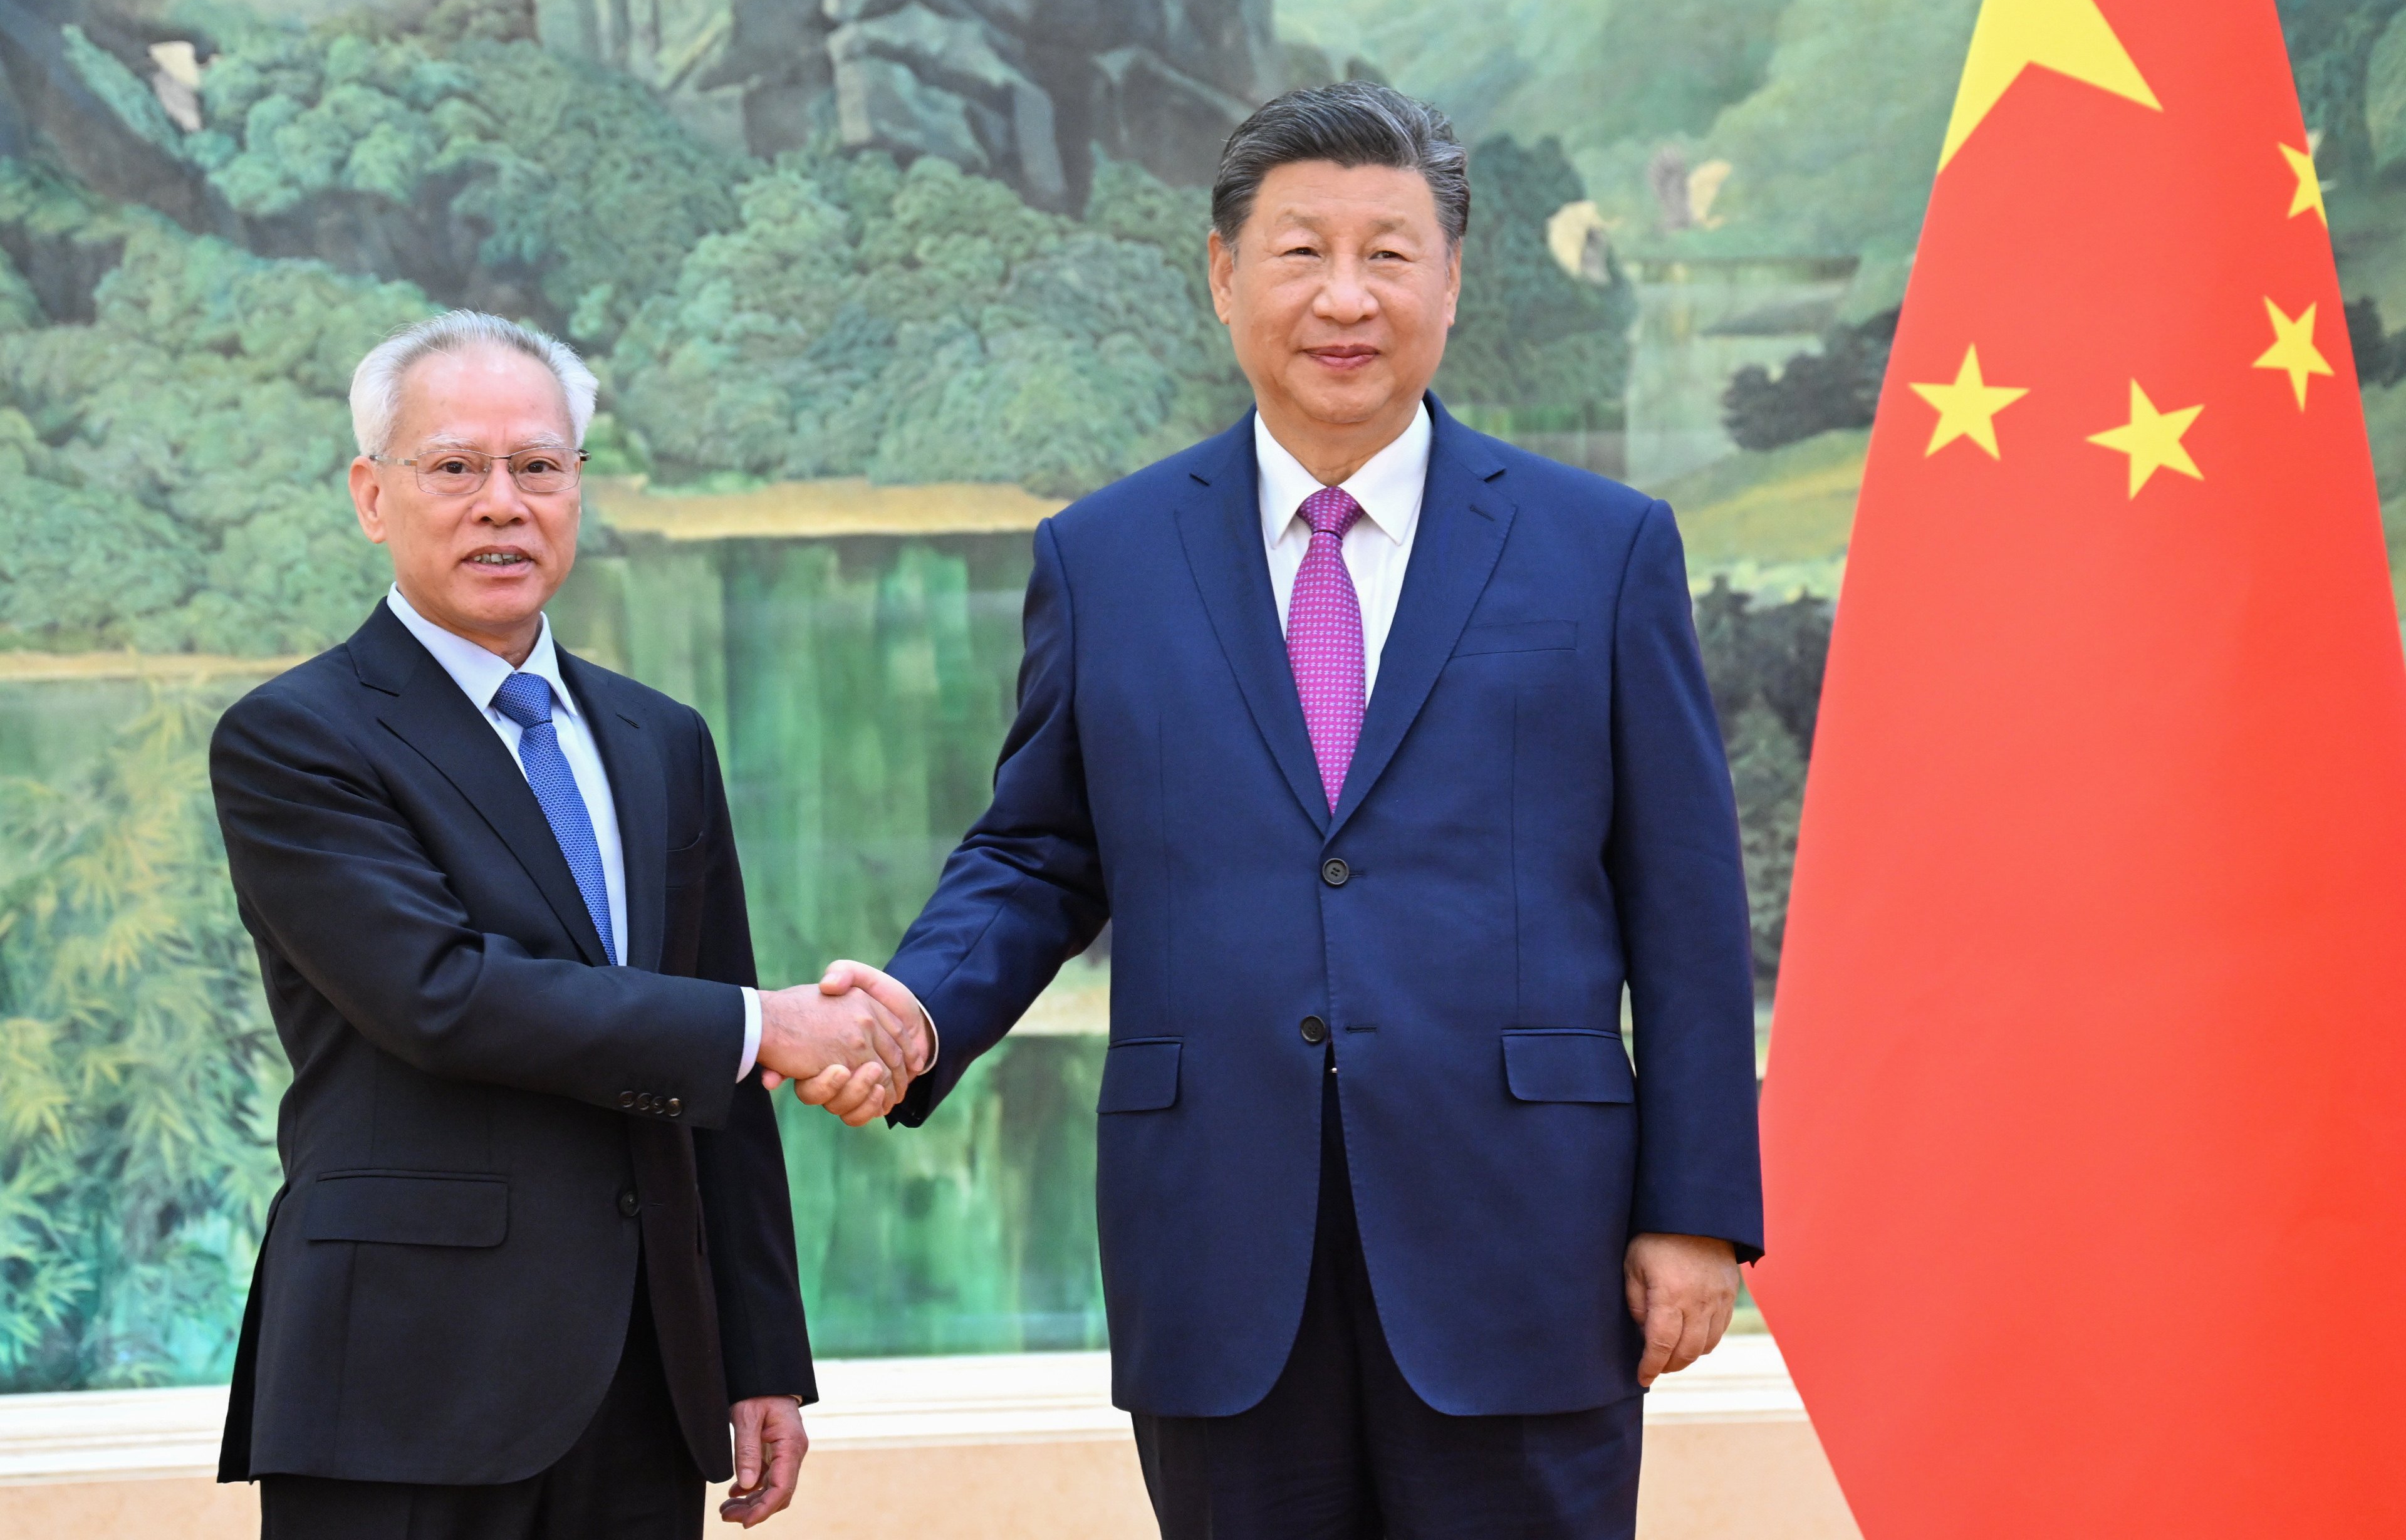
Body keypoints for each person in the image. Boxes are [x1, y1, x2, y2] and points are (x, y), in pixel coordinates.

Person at [800, 83, 1764, 1536]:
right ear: (1222, 275)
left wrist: (1694, 1210)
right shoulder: (1108, 555)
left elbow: (1686, 903)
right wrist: (919, 1011)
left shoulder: (1600, 549)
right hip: (1220, 1248)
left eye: (1390, 252)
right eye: (1301, 250)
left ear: (1453, 277)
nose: (1345, 297)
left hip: (1525, 1243)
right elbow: (1039, 850)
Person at [209, 311, 930, 1539]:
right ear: (371, 495)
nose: (503, 502)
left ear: (577, 488)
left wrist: (760, 1357)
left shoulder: (661, 741)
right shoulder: (299, 739)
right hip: (403, 1387)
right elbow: (439, 994)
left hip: (643, 1388)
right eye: (456, 468)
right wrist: (771, 1026)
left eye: (538, 467)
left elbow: (720, 1081)